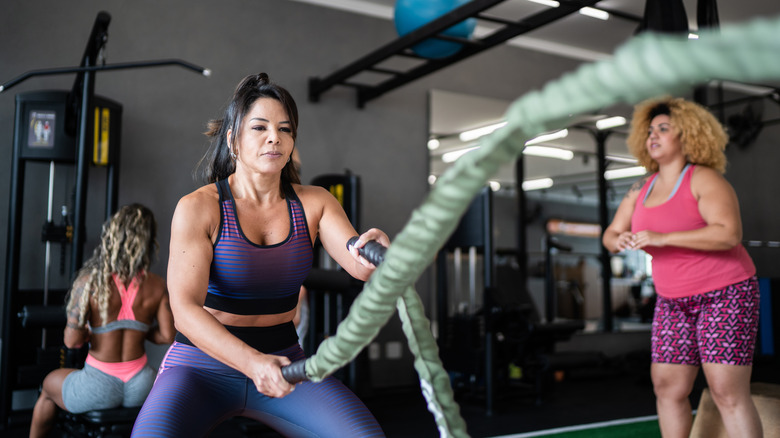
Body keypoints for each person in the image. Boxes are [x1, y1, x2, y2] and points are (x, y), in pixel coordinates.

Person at [131, 72, 389, 437]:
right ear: (233, 138)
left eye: (285, 129)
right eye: (260, 127)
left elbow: (359, 265)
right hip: (201, 366)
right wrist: (253, 363)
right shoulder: (199, 207)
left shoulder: (315, 202)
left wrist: (377, 250)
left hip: (285, 363)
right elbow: (185, 311)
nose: (275, 137)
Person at [602, 96, 762, 438]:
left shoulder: (705, 180)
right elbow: (611, 233)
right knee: (667, 388)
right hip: (672, 299)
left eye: (663, 128)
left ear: (687, 136)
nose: (653, 136)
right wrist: (619, 241)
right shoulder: (639, 188)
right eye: (649, 131)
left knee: (726, 392)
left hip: (725, 293)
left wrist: (662, 238)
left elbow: (728, 234)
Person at [30, 204, 175, 438]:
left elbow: (72, 341)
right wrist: (140, 329)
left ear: (112, 236)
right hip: (142, 384)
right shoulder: (157, 285)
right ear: (148, 242)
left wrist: (94, 332)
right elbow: (168, 336)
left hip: (98, 384)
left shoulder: (89, 282)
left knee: (48, 386)